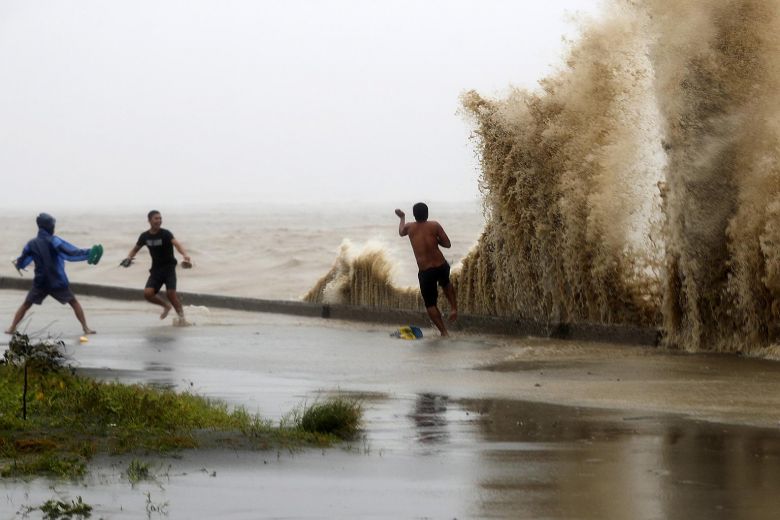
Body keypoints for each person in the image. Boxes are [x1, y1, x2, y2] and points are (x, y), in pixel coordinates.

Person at [5, 213, 98, 335]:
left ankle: (12, 328)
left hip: (41, 282)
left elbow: (22, 260)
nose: (53, 227)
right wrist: (88, 253)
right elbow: (70, 252)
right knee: (74, 302)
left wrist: (19, 265)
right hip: (57, 281)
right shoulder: (55, 240)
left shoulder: (31, 243)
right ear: (49, 226)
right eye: (52, 225)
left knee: (26, 304)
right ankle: (85, 328)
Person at [395, 202, 458, 336]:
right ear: (427, 213)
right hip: (441, 265)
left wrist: (402, 217)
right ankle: (453, 308)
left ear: (414, 215)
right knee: (446, 284)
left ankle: (444, 332)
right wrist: (436, 240)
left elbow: (401, 232)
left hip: (426, 271)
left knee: (430, 304)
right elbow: (447, 244)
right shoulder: (435, 225)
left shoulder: (409, 227)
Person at [121, 210, 192, 322]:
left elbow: (177, 244)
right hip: (156, 270)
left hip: (169, 268)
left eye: (160, 218)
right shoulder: (144, 236)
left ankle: (182, 319)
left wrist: (185, 255)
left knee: (171, 294)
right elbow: (135, 249)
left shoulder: (166, 233)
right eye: (156, 218)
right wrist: (129, 258)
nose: (159, 221)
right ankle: (166, 306)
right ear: (149, 220)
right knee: (147, 294)